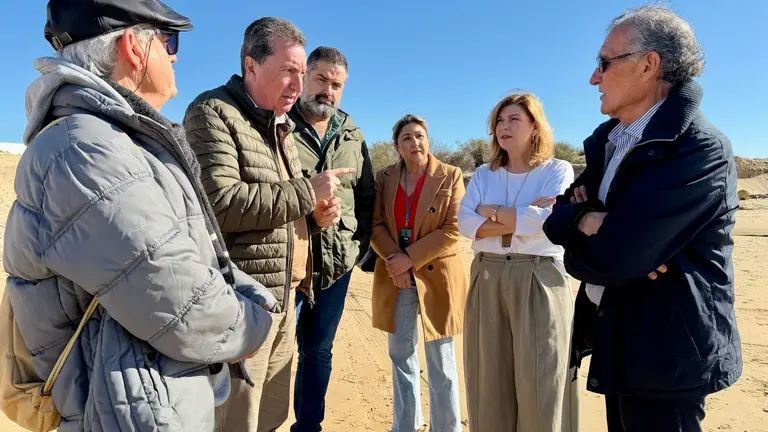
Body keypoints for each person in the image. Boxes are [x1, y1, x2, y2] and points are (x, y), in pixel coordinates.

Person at [3, 1, 277, 431]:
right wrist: (253, 325)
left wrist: (250, 294)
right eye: (168, 40)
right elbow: (179, 299)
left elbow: (191, 251)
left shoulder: (114, 141)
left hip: (139, 405)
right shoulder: (84, 150)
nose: (174, 55)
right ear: (133, 45)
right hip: (120, 413)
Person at [543, 5, 741, 432]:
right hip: (618, 336)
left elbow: (616, 256)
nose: (594, 77)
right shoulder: (608, 142)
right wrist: (586, 220)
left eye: (604, 62)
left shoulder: (698, 149)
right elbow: (554, 222)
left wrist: (597, 236)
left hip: (669, 354)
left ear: (649, 64)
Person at [183, 17, 350, 432]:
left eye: (300, 73)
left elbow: (285, 203)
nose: (298, 85)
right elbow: (220, 203)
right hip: (242, 304)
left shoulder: (282, 125)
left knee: (271, 416)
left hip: (284, 300)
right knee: (235, 419)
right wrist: (307, 193)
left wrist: (315, 216)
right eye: (289, 71)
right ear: (252, 66)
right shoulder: (212, 112)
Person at [457, 92, 578, 431]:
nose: (504, 127)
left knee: (541, 381)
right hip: (487, 275)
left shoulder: (558, 170)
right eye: (499, 120)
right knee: (488, 378)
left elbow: (550, 223)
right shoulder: (483, 174)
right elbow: (465, 223)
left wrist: (490, 213)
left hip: (539, 277)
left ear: (535, 127)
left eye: (514, 120)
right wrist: (522, 217)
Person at [287, 46, 374, 431]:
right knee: (268, 350)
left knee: (318, 352)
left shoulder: (353, 134)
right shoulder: (278, 122)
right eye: (322, 79)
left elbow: (368, 196)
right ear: (305, 75)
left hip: (337, 266)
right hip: (288, 262)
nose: (329, 91)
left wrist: (357, 247)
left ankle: (308, 427)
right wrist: (309, 209)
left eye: (337, 84)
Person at [370, 115, 467, 432]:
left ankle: (447, 427)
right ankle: (406, 425)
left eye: (420, 135)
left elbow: (454, 229)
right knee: (401, 355)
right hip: (396, 276)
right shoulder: (384, 179)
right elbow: (375, 225)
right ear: (397, 146)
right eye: (407, 138)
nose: (415, 142)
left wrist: (408, 258)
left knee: (441, 359)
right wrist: (394, 259)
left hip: (436, 275)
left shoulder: (450, 176)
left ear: (428, 139)